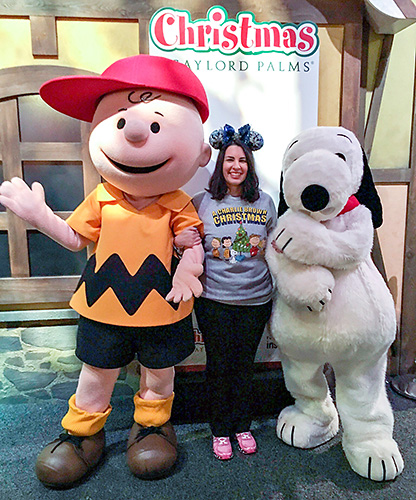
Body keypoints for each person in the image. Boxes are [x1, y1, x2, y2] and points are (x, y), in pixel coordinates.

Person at [0, 55, 211, 487]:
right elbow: (76, 238)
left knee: (159, 372)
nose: (135, 132)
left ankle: (152, 426)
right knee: (96, 371)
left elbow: (192, 244)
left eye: (155, 126)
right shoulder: (102, 197)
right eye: (120, 122)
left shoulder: (178, 204)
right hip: (103, 303)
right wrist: (40, 217)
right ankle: (83, 435)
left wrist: (191, 269)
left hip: (162, 305)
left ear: (202, 152)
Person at [175, 124, 277, 460]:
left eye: (242, 160)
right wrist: (179, 244)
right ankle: (220, 429)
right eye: (229, 159)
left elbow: (274, 248)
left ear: (249, 166)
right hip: (215, 299)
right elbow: (186, 249)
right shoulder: (201, 202)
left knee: (245, 364)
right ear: (220, 164)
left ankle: (242, 424)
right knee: (218, 364)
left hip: (256, 299)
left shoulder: (265, 201)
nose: (235, 165)